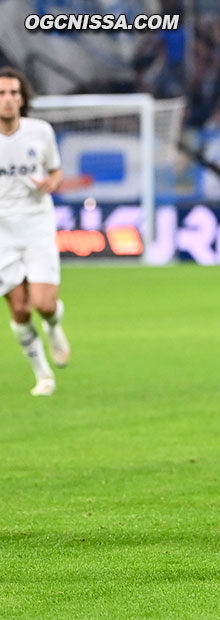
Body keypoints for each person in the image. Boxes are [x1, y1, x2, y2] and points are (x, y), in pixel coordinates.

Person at [0, 67, 70, 396]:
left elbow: (56, 173)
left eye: (14, 93)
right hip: (2, 232)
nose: (8, 100)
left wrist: (49, 183)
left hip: (37, 224)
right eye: (1, 94)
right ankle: (43, 376)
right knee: (19, 309)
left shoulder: (40, 132)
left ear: (23, 98)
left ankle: (54, 325)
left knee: (42, 303)